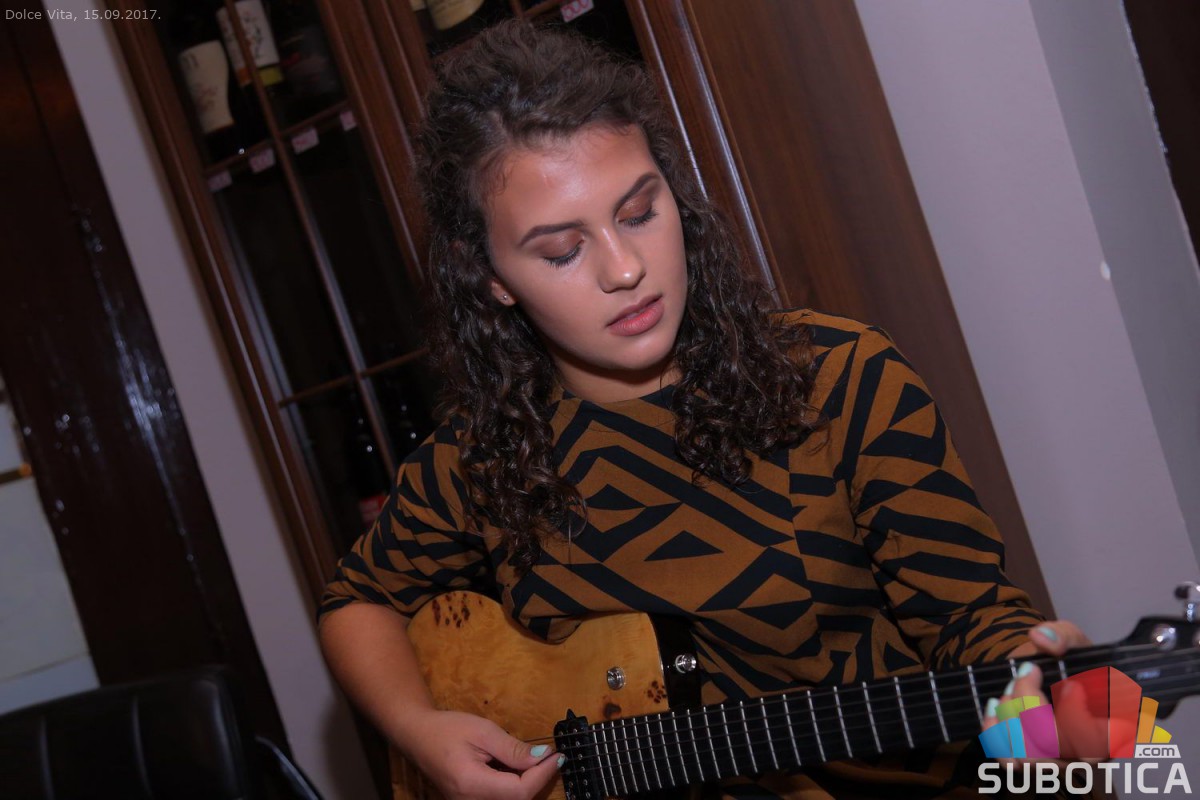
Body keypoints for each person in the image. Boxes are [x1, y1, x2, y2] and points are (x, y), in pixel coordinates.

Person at [317, 19, 1090, 800]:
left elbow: (971, 618)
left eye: (638, 212)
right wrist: (421, 731)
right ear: (490, 276)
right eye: (562, 251)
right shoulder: (481, 458)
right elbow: (356, 603)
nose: (625, 269)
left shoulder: (837, 379)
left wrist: (1047, 706)